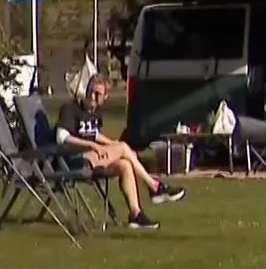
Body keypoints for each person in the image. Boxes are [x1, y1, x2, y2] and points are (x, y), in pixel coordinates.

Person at [55, 74, 184, 230]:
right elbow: (61, 137)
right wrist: (95, 146)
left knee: (125, 165)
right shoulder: (70, 108)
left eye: (98, 94)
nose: (93, 97)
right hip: (72, 161)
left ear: (105, 97)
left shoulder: (96, 113)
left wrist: (110, 144)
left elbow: (93, 133)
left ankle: (136, 215)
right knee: (123, 148)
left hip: (91, 159)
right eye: (90, 91)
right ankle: (154, 186)